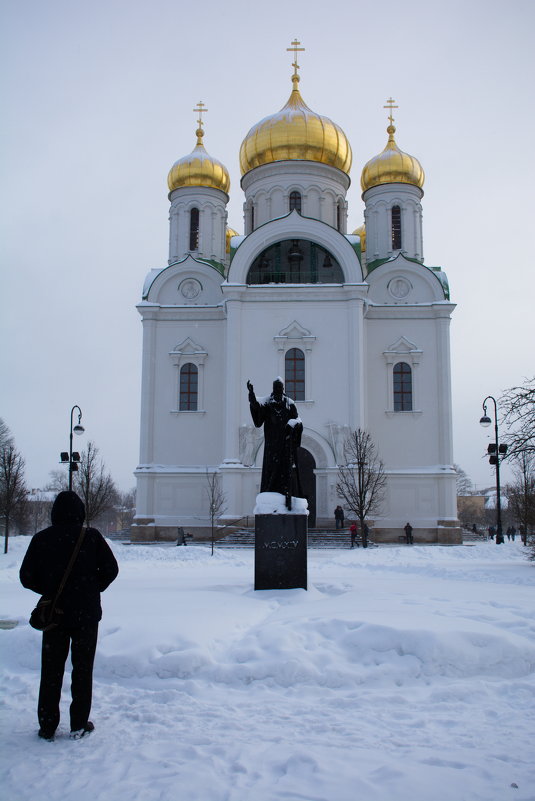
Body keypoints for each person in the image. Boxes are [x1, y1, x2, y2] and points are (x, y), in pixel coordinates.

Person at [20, 491, 119, 742]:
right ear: (80, 512)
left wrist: (50, 589)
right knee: (82, 671)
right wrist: (90, 588)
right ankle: (78, 724)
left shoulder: (42, 538)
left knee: (51, 670)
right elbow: (111, 569)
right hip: (86, 616)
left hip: (55, 615)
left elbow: (26, 577)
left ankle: (47, 724)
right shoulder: (91, 537)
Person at [247, 377, 303, 510]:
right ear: (273, 389)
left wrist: (292, 425)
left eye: (279, 388)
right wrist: (251, 394)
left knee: (285, 470)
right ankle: (270, 492)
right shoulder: (267, 403)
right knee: (271, 469)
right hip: (271, 444)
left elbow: (298, 420)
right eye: (275, 388)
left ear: (283, 389)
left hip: (285, 444)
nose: (277, 390)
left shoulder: (289, 404)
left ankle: (285, 494)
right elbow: (257, 409)